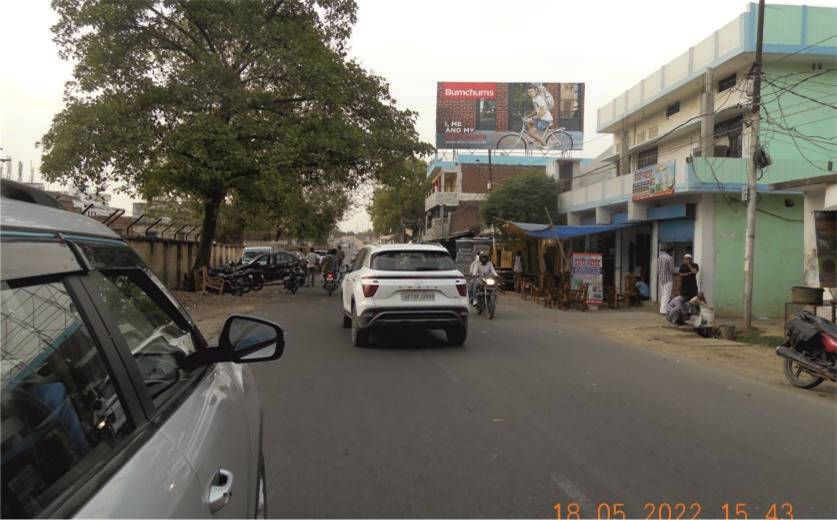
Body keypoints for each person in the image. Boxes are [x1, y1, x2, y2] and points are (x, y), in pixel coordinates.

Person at [657, 245, 676, 315]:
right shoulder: (669, 258)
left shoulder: (660, 258)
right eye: (672, 252)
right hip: (668, 279)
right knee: (666, 295)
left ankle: (662, 309)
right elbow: (672, 270)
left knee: (663, 294)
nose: (672, 253)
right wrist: (677, 270)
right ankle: (663, 311)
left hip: (661, 278)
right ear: (669, 251)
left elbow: (658, 269)